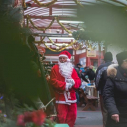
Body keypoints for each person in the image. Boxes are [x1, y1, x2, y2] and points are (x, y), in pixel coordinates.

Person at [50, 51, 81, 127]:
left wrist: (73, 82)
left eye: (64, 58)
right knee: (61, 117)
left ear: (68, 59)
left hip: (71, 97)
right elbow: (53, 81)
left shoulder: (72, 69)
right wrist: (65, 85)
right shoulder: (55, 68)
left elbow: (78, 81)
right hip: (60, 97)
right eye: (60, 58)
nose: (62, 60)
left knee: (72, 116)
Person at [103, 51, 127, 127]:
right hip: (118, 114)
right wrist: (113, 111)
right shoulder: (113, 74)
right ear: (121, 62)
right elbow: (108, 95)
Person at [95, 52, 113, 127]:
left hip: (103, 92)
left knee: (105, 111)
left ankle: (105, 125)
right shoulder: (116, 66)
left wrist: (97, 88)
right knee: (114, 110)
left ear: (104, 58)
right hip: (114, 92)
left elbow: (97, 80)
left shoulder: (101, 67)